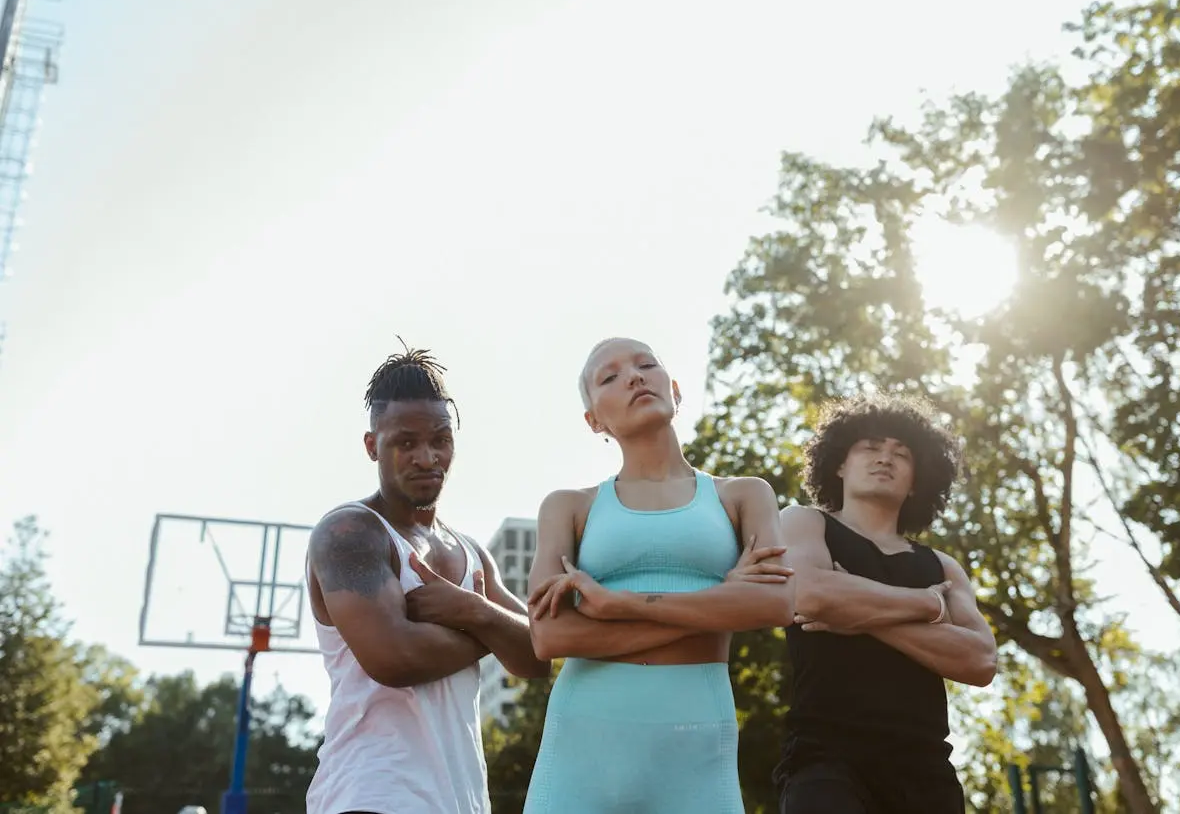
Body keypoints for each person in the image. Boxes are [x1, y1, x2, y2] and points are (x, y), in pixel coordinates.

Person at [522, 336, 795, 814]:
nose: (633, 376)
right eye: (610, 377)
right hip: (581, 747)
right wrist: (723, 599)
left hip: (696, 748)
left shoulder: (744, 496)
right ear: (594, 421)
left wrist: (618, 605)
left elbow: (775, 604)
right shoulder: (568, 506)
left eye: (646, 365)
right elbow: (549, 635)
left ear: (674, 388)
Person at [305, 344, 549, 814]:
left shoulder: (471, 552)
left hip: (462, 799)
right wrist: (487, 630)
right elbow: (394, 659)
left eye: (440, 439)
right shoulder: (350, 533)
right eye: (406, 442)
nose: (426, 456)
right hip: (372, 792)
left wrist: (473, 611)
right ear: (373, 445)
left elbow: (538, 658)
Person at [775, 392, 998, 814]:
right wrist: (925, 607)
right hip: (826, 762)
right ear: (840, 462)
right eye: (871, 447)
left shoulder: (942, 567)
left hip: (926, 773)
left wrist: (857, 611)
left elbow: (981, 660)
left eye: (902, 454)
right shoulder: (804, 522)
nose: (885, 458)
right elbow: (807, 594)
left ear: (917, 479)